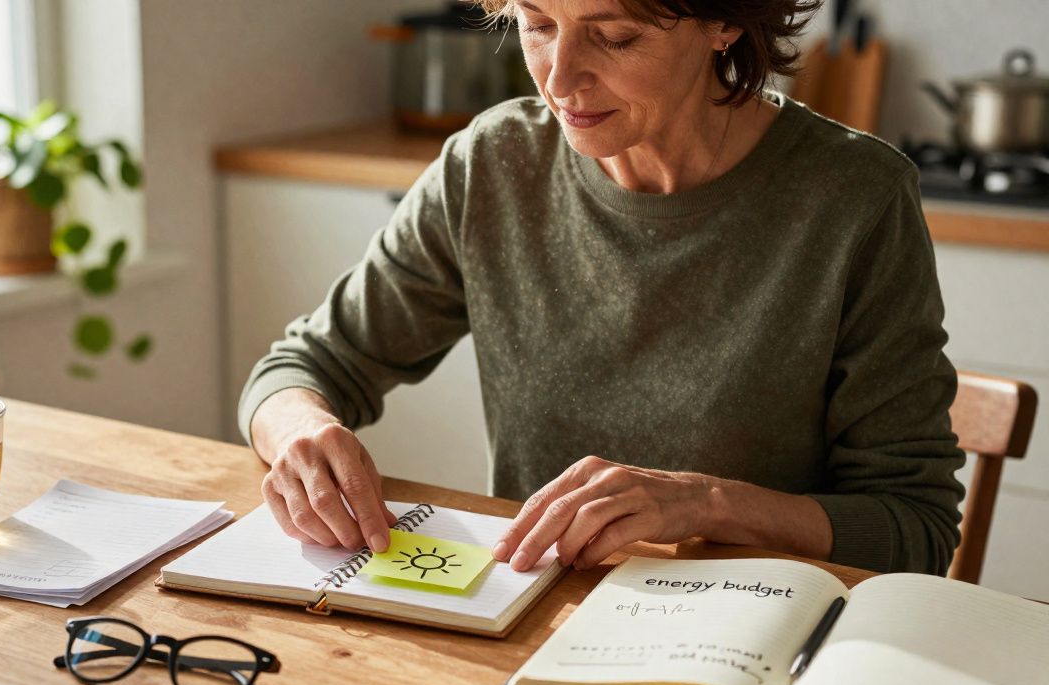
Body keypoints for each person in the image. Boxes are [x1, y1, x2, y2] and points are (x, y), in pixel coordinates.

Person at [238, 0, 966, 576]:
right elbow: (301, 370)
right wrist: (301, 431)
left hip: (743, 651)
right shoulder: (493, 165)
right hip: (530, 623)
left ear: (722, 23)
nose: (559, 79)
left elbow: (915, 529)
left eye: (613, 37)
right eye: (538, 24)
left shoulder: (854, 200)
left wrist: (705, 503)